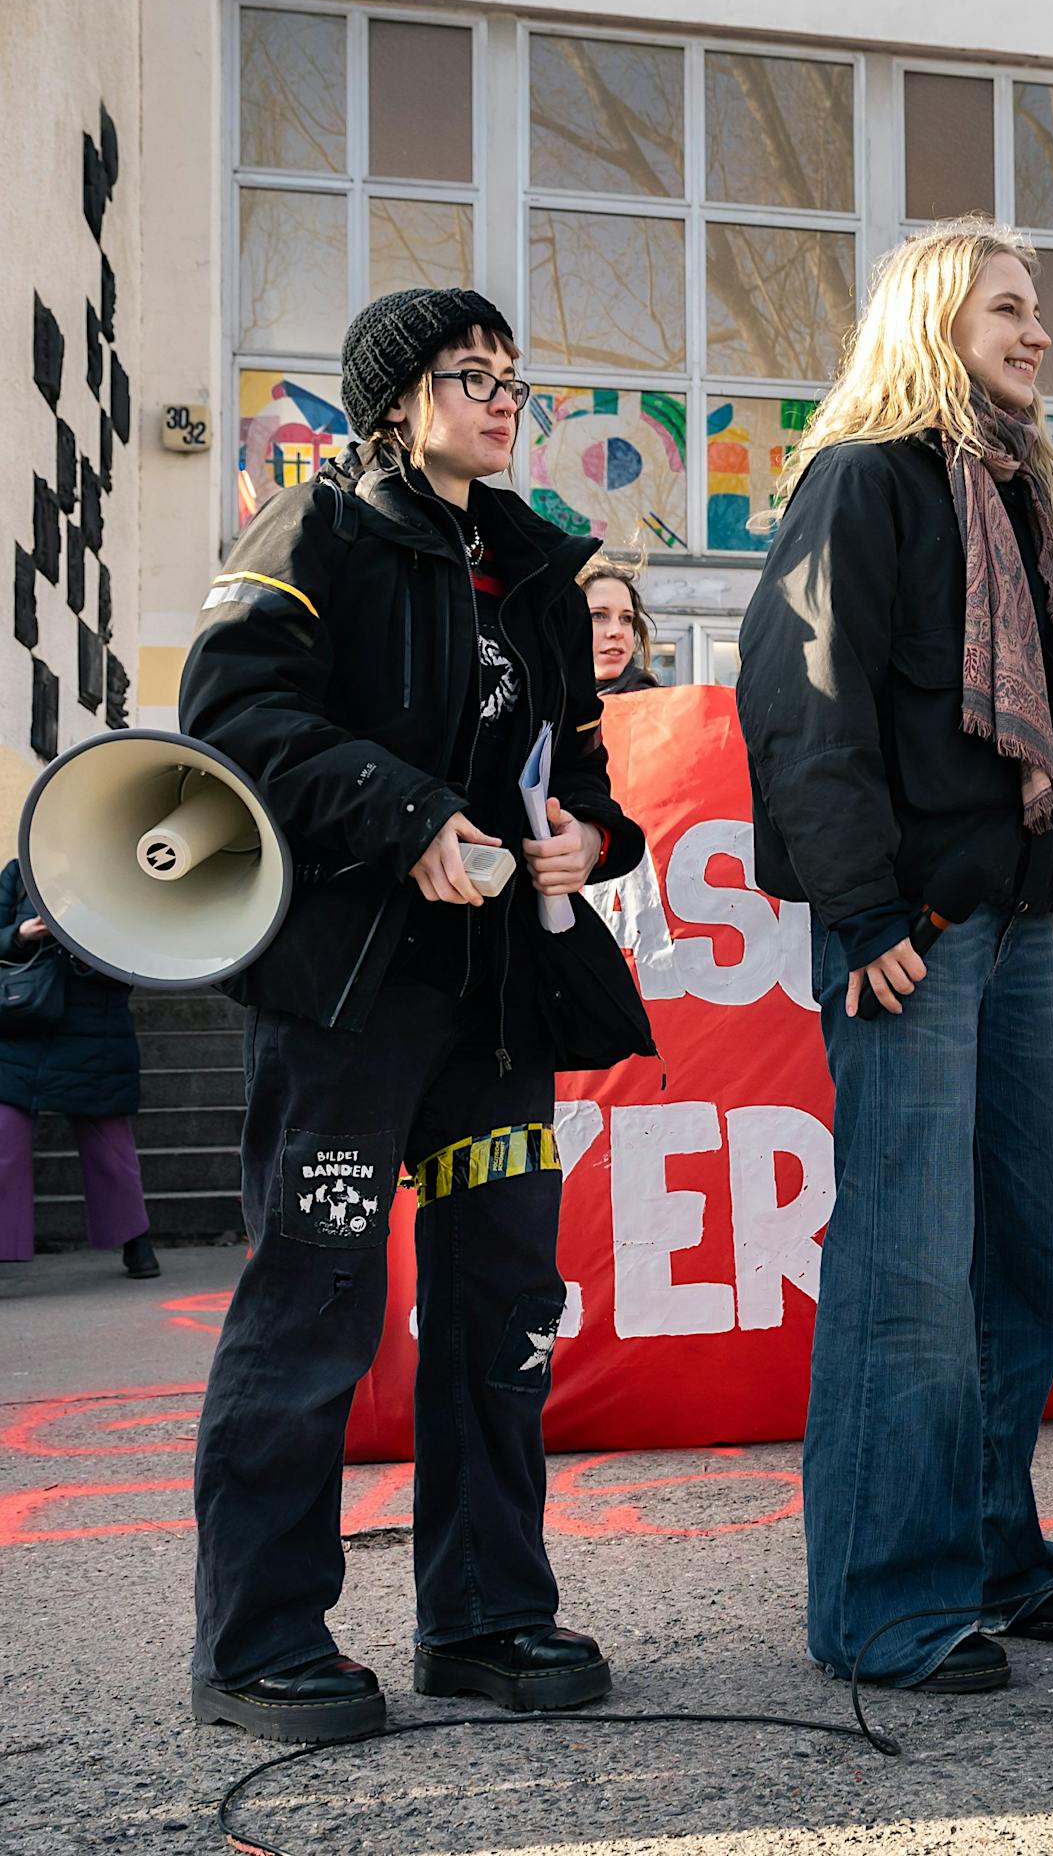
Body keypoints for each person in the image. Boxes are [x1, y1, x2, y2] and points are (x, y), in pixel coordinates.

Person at [179, 286, 653, 1744]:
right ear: (394, 399)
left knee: (502, 1307)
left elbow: (582, 774)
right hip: (349, 990)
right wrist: (407, 816)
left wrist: (588, 840)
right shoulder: (314, 531)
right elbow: (233, 722)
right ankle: (259, 1643)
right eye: (471, 374)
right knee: (315, 1301)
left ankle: (486, 1614)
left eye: (516, 378)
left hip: (498, 998)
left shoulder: (540, 568)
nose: (505, 401)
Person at [737, 218, 1053, 1695]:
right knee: (906, 1268)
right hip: (916, 933)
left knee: (1020, 1261)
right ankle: (885, 1605)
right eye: (1007, 308)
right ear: (933, 323)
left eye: (1035, 307)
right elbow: (800, 701)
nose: (1037, 331)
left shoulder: (1016, 494)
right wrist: (858, 915)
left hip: (1013, 928)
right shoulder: (864, 478)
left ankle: (988, 1548)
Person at [0, 858, 157, 1277]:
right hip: (23, 1026)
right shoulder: (19, 873)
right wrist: (21, 934)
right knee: (4, 1141)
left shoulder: (114, 870)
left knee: (110, 1146)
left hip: (95, 1029)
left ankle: (135, 1241)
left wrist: (84, 950)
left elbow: (138, 958)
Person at [580, 547, 664, 694]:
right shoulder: (541, 699)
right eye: (598, 615)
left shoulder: (658, 705)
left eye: (626, 618)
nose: (617, 631)